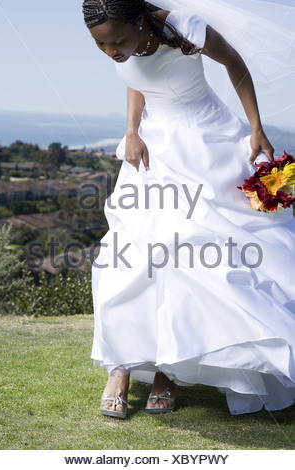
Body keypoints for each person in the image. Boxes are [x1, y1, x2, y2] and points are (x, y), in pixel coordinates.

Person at [82, 0, 295, 419]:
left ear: (139, 20)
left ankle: (168, 370)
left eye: (118, 41)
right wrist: (131, 132)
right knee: (128, 255)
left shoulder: (185, 27)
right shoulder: (121, 44)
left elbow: (237, 66)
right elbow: (134, 79)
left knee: (193, 257)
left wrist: (256, 128)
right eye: (101, 46)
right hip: (151, 152)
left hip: (204, 145)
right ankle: (120, 366)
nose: (110, 52)